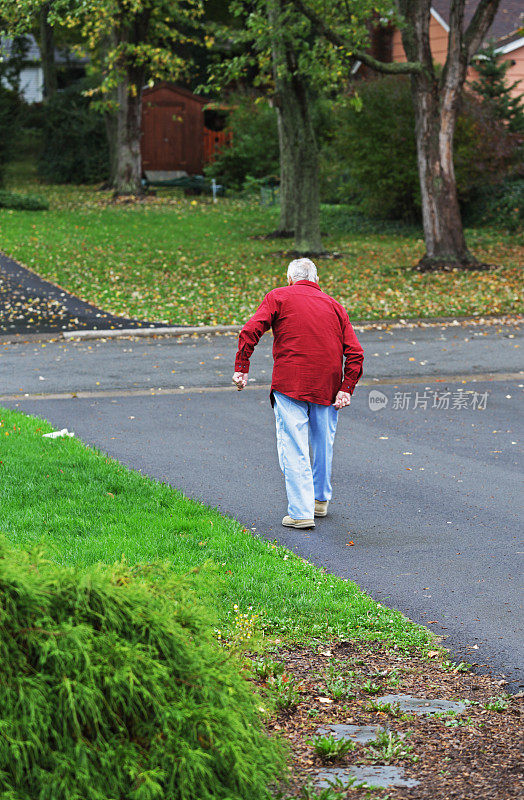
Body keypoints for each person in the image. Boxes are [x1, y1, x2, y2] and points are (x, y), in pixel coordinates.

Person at [232, 258, 364, 529]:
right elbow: (355, 352)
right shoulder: (335, 306)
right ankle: (320, 500)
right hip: (328, 384)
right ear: (316, 279)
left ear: (289, 278)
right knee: (323, 442)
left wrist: (242, 367)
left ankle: (301, 512)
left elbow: (250, 330)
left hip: (290, 381)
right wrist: (346, 387)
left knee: (294, 444)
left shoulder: (278, 297)